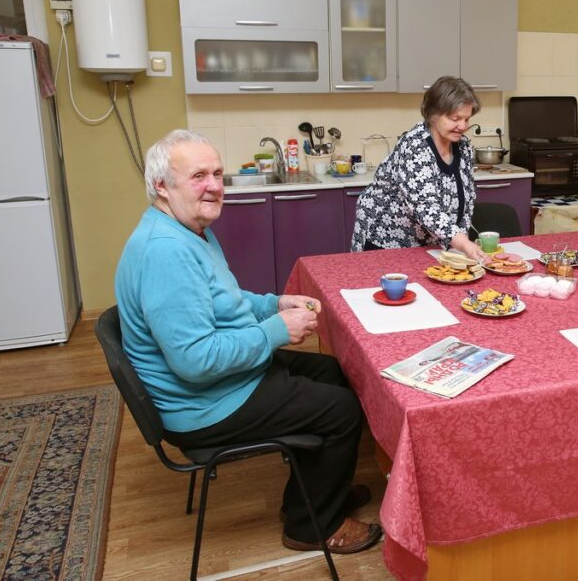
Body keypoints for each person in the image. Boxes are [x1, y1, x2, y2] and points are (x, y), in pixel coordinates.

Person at [114, 129, 381, 555]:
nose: (215, 185)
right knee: (343, 410)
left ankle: (316, 494)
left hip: (227, 380)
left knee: (338, 372)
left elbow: (226, 302)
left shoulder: (188, 230)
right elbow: (195, 361)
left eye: (217, 173)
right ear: (161, 186)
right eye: (199, 175)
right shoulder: (166, 251)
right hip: (205, 403)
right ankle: (312, 526)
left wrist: (275, 303)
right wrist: (277, 330)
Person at [350, 75, 485, 260]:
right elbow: (426, 207)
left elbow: (467, 200)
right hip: (387, 238)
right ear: (433, 114)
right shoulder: (415, 146)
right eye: (455, 118)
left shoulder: (463, 146)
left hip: (431, 241)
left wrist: (461, 242)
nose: (462, 126)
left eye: (467, 119)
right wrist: (462, 243)